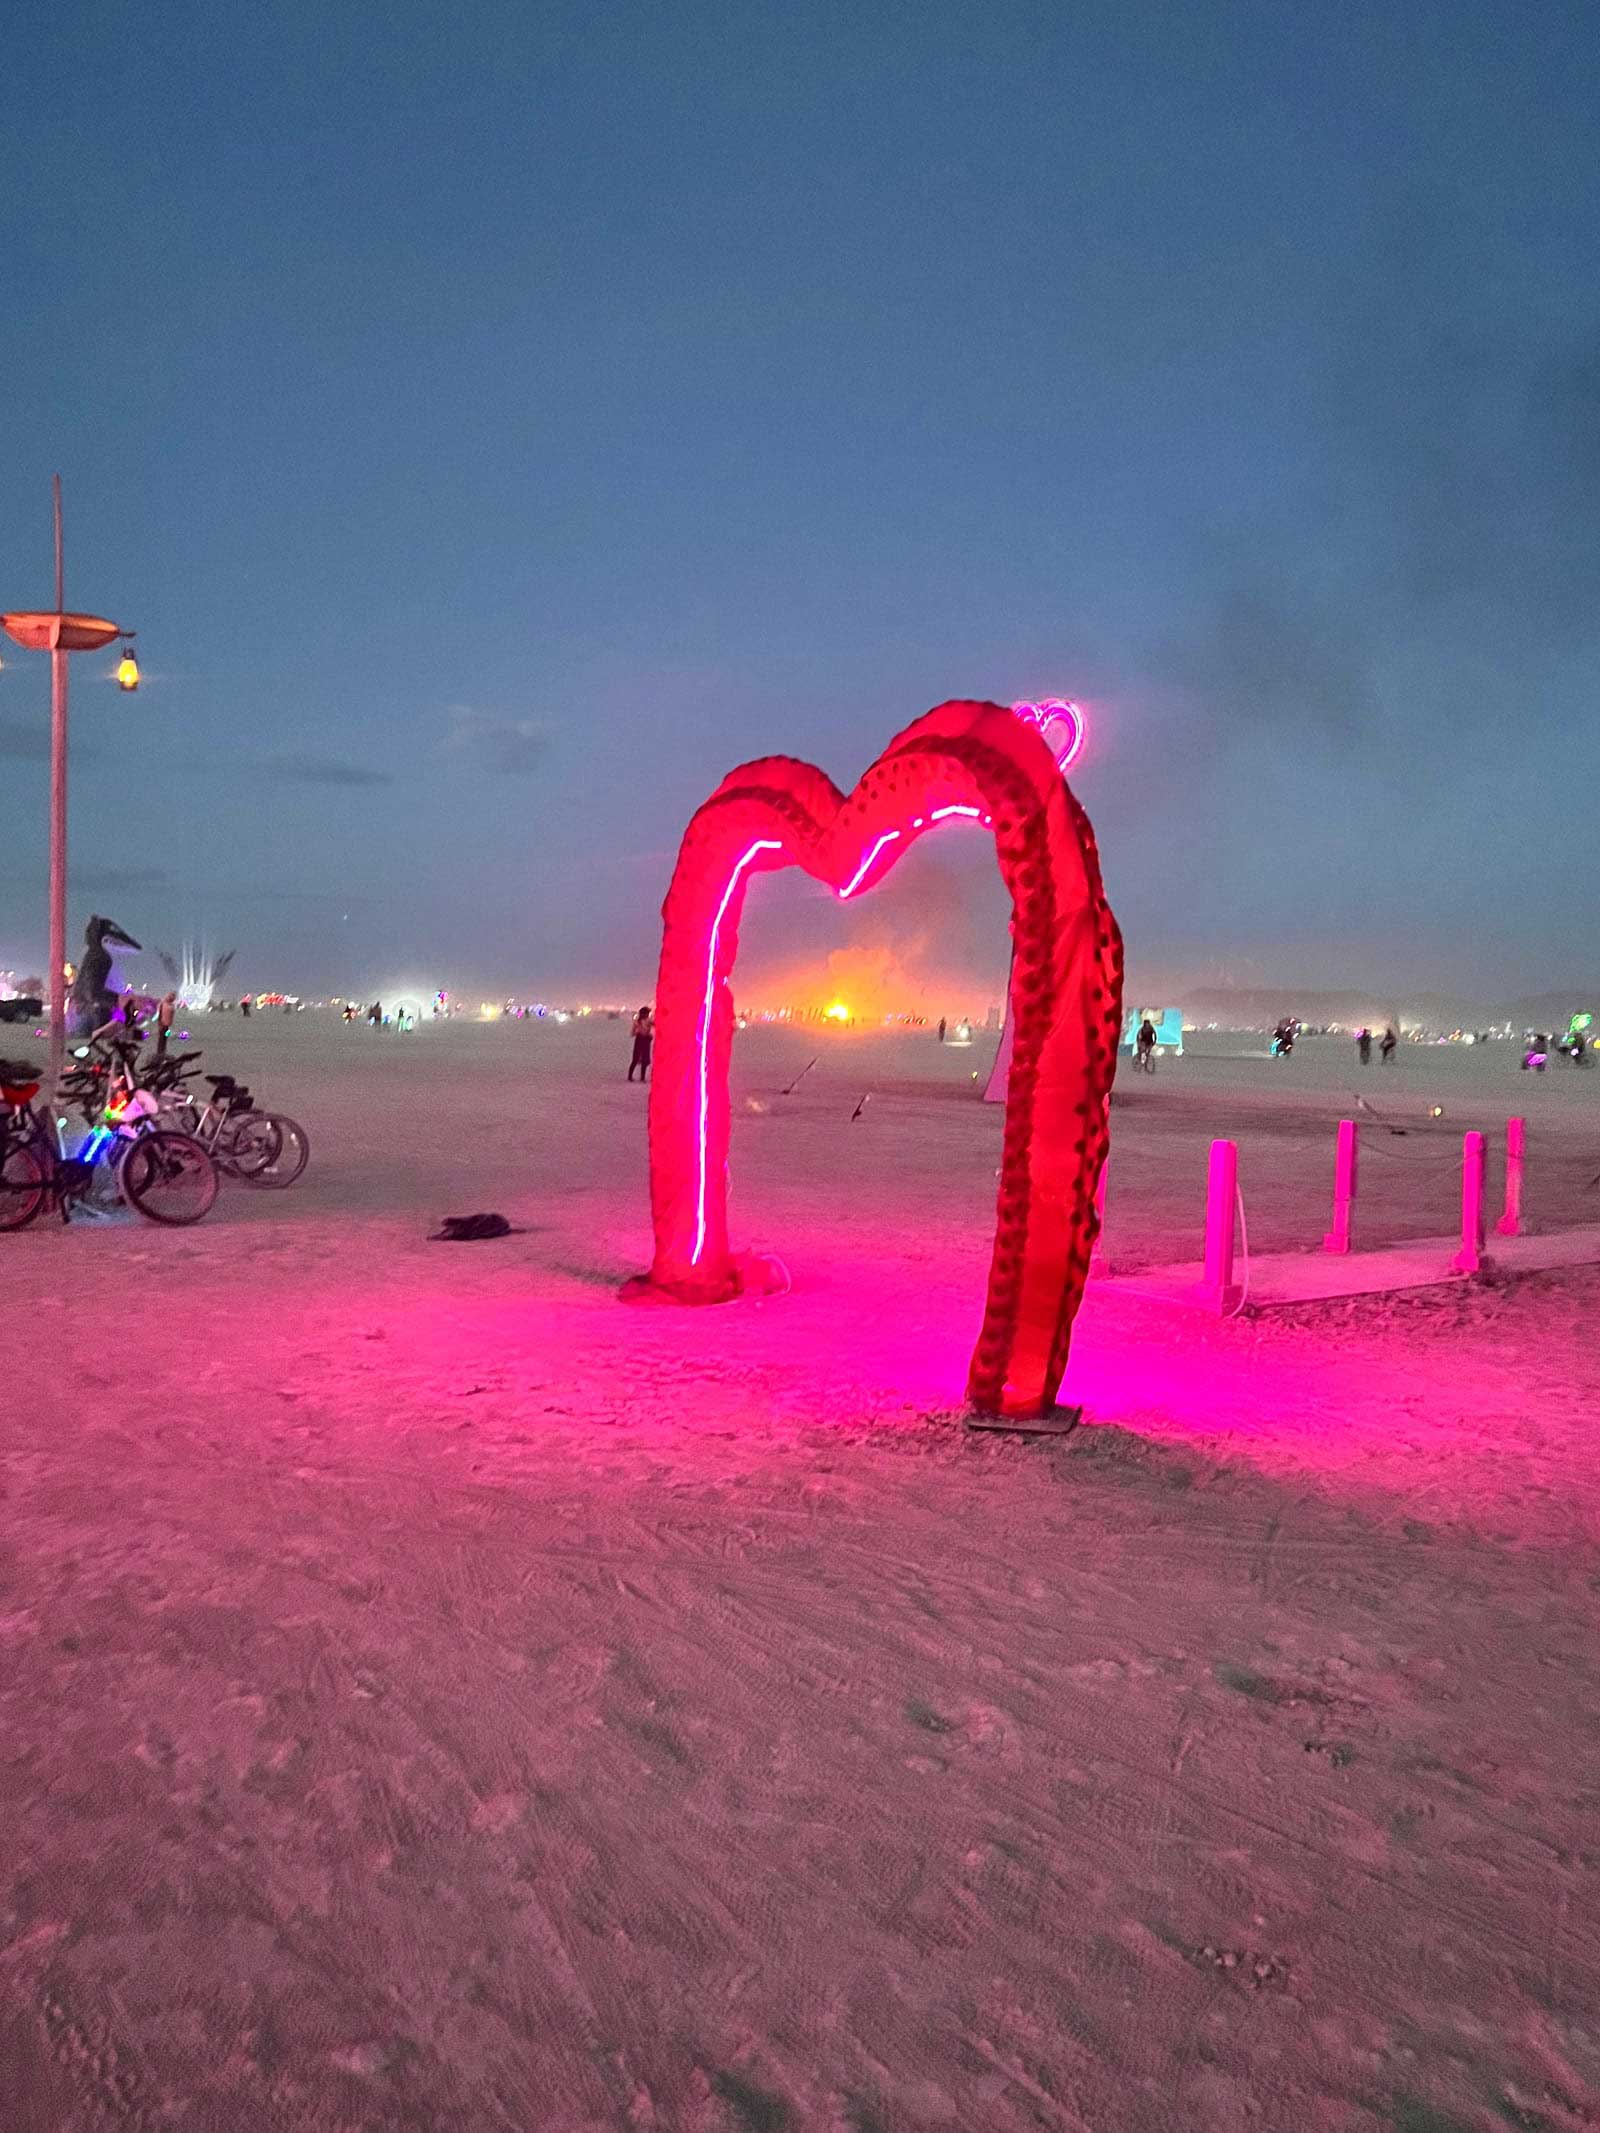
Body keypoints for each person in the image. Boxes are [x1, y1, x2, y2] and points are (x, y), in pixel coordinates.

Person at [628, 1005, 654, 1082]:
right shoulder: (638, 1022)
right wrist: (638, 1032)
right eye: (647, 1013)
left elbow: (656, 1024)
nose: (647, 1014)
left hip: (645, 1040)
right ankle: (630, 1076)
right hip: (640, 1040)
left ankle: (642, 1077)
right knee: (636, 1058)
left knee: (645, 1059)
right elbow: (632, 1033)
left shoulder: (648, 1020)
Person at [155, 991, 177, 1058]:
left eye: (173, 996)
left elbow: (171, 1015)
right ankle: (159, 1054)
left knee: (164, 1039)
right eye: (170, 996)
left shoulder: (171, 1005)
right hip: (162, 1025)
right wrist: (159, 1025)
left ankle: (162, 1053)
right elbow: (158, 1015)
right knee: (161, 1040)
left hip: (167, 1026)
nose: (172, 997)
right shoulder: (162, 1004)